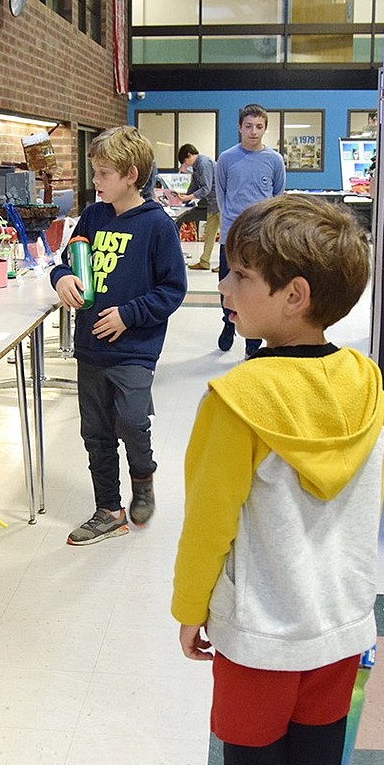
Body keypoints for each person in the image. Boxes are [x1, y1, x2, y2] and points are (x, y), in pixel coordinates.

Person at [172, 193, 384, 765]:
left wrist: (190, 607)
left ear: (294, 294)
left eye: (239, 274)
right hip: (342, 627)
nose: (224, 283)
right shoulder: (366, 380)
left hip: (262, 635)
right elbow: (366, 500)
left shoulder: (238, 400)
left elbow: (207, 521)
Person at [51, 126, 187, 545]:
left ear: (131, 174)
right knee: (95, 431)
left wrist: (129, 315)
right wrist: (62, 279)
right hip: (91, 347)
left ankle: (142, 478)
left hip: (133, 350)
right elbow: (65, 261)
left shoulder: (158, 227)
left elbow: (172, 290)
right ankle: (108, 509)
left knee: (131, 421)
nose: (95, 182)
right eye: (95, 172)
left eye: (103, 173)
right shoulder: (92, 216)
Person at [216, 103, 286, 356]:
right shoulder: (226, 159)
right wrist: (231, 224)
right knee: (228, 283)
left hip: (262, 237)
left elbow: (278, 196)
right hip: (231, 235)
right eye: (248, 126)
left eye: (259, 126)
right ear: (239, 127)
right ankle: (228, 322)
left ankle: (253, 340)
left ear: (265, 128)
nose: (253, 132)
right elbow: (221, 195)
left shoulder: (274, 160)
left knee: (257, 286)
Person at [177, 143, 221, 271]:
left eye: (185, 161)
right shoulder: (196, 167)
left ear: (189, 155)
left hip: (221, 202)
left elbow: (206, 188)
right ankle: (204, 262)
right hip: (212, 204)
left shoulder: (203, 163)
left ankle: (226, 264)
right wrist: (184, 196)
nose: (185, 165)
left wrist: (188, 198)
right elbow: (194, 184)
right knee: (209, 234)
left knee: (226, 236)